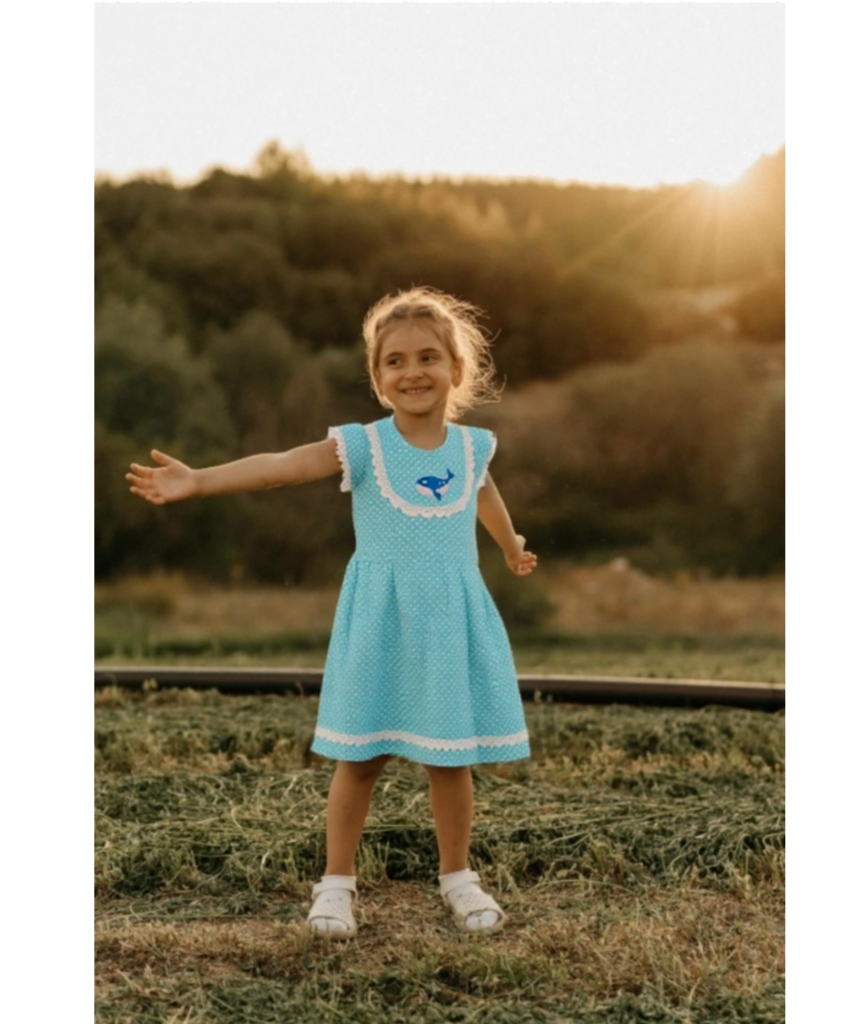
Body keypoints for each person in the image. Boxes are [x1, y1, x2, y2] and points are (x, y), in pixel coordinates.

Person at [127, 288, 538, 940]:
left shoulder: (471, 449)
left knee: (449, 761)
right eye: (395, 361)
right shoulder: (364, 446)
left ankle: (458, 878)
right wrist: (200, 479)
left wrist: (511, 547)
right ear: (377, 379)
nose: (412, 372)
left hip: (446, 623)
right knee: (361, 759)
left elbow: (485, 496)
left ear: (457, 369)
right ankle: (336, 885)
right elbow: (280, 468)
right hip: (381, 625)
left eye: (428, 357)